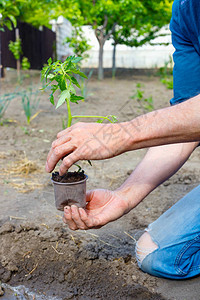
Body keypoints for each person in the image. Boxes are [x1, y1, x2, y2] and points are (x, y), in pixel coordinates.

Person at [46, 0, 200, 279]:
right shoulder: (186, 11)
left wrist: (120, 134)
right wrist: (124, 197)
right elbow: (186, 126)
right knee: (158, 255)